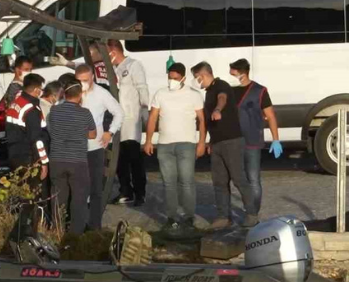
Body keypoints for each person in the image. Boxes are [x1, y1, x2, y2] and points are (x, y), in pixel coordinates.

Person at [191, 61, 258, 229]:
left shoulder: (221, 85)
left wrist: (218, 110)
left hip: (232, 141)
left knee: (238, 178)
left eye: (196, 78)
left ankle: (251, 214)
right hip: (217, 144)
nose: (195, 81)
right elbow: (206, 122)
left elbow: (223, 98)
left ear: (203, 75)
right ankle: (223, 217)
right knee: (219, 181)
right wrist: (208, 142)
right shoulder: (208, 93)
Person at [143, 63, 206, 229]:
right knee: (169, 183)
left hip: (187, 144)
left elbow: (201, 120)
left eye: (175, 78)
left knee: (187, 181)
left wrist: (201, 142)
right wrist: (149, 140)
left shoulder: (194, 95)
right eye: (170, 78)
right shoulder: (160, 94)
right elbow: (152, 118)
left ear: (183, 78)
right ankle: (171, 217)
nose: (172, 81)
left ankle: (189, 216)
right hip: (164, 145)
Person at [229, 58, 282, 213]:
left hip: (252, 141)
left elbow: (270, 116)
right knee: (238, 180)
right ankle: (243, 210)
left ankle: (253, 213)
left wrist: (276, 140)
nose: (230, 77)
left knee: (253, 179)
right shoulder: (230, 91)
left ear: (242, 74)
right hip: (233, 142)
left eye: (233, 74)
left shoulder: (260, 91)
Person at [75, 64, 124, 230]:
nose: (83, 84)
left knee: (96, 188)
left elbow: (119, 112)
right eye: (79, 80)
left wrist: (110, 132)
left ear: (92, 78)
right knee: (78, 188)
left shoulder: (102, 94)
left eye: (85, 80)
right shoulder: (72, 93)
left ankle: (95, 225)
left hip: (95, 147)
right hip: (75, 147)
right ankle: (77, 225)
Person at [48, 82, 97, 234]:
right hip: (78, 161)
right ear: (80, 95)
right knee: (79, 198)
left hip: (56, 160)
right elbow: (93, 134)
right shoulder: (85, 113)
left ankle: (57, 230)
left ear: (64, 95)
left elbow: (51, 128)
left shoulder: (54, 111)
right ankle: (76, 233)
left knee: (58, 197)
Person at [107, 39, 149, 206]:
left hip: (131, 117)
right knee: (119, 158)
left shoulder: (133, 65)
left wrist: (145, 109)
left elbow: (142, 88)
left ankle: (140, 193)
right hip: (117, 118)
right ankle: (125, 191)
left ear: (114, 51)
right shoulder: (113, 68)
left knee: (133, 157)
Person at [5, 73, 50, 187]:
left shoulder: (17, 102)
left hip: (14, 155)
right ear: (36, 90)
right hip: (29, 158)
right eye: (41, 89)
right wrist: (43, 162)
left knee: (20, 190)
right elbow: (37, 139)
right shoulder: (31, 110)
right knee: (32, 193)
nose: (42, 92)